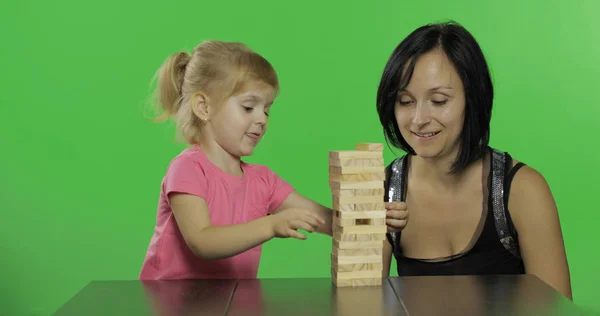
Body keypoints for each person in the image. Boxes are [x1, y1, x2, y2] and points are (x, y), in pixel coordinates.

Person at [139, 40, 407, 281]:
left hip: (231, 302)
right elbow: (202, 241)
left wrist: (371, 218)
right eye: (248, 107)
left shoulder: (263, 180)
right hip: (171, 303)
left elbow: (326, 220)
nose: (262, 119)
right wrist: (269, 225)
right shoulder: (187, 169)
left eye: (266, 110)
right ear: (204, 107)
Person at [376, 21, 573, 300]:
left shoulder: (522, 190)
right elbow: (360, 305)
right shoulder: (383, 189)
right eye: (405, 101)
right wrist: (361, 233)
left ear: (474, 98)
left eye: (439, 101)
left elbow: (557, 310)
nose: (419, 119)